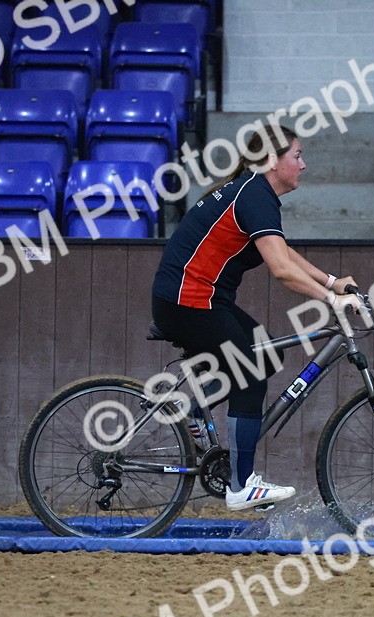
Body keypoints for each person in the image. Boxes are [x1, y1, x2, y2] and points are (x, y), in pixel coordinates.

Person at [150, 125, 362, 511]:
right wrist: (331, 300)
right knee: (250, 372)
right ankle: (241, 486)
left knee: (265, 355)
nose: (303, 165)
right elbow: (281, 271)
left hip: (195, 299)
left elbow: (283, 253)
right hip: (188, 301)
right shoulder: (254, 194)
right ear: (272, 160)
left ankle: (194, 408)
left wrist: (332, 283)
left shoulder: (254, 192)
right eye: (297, 155)